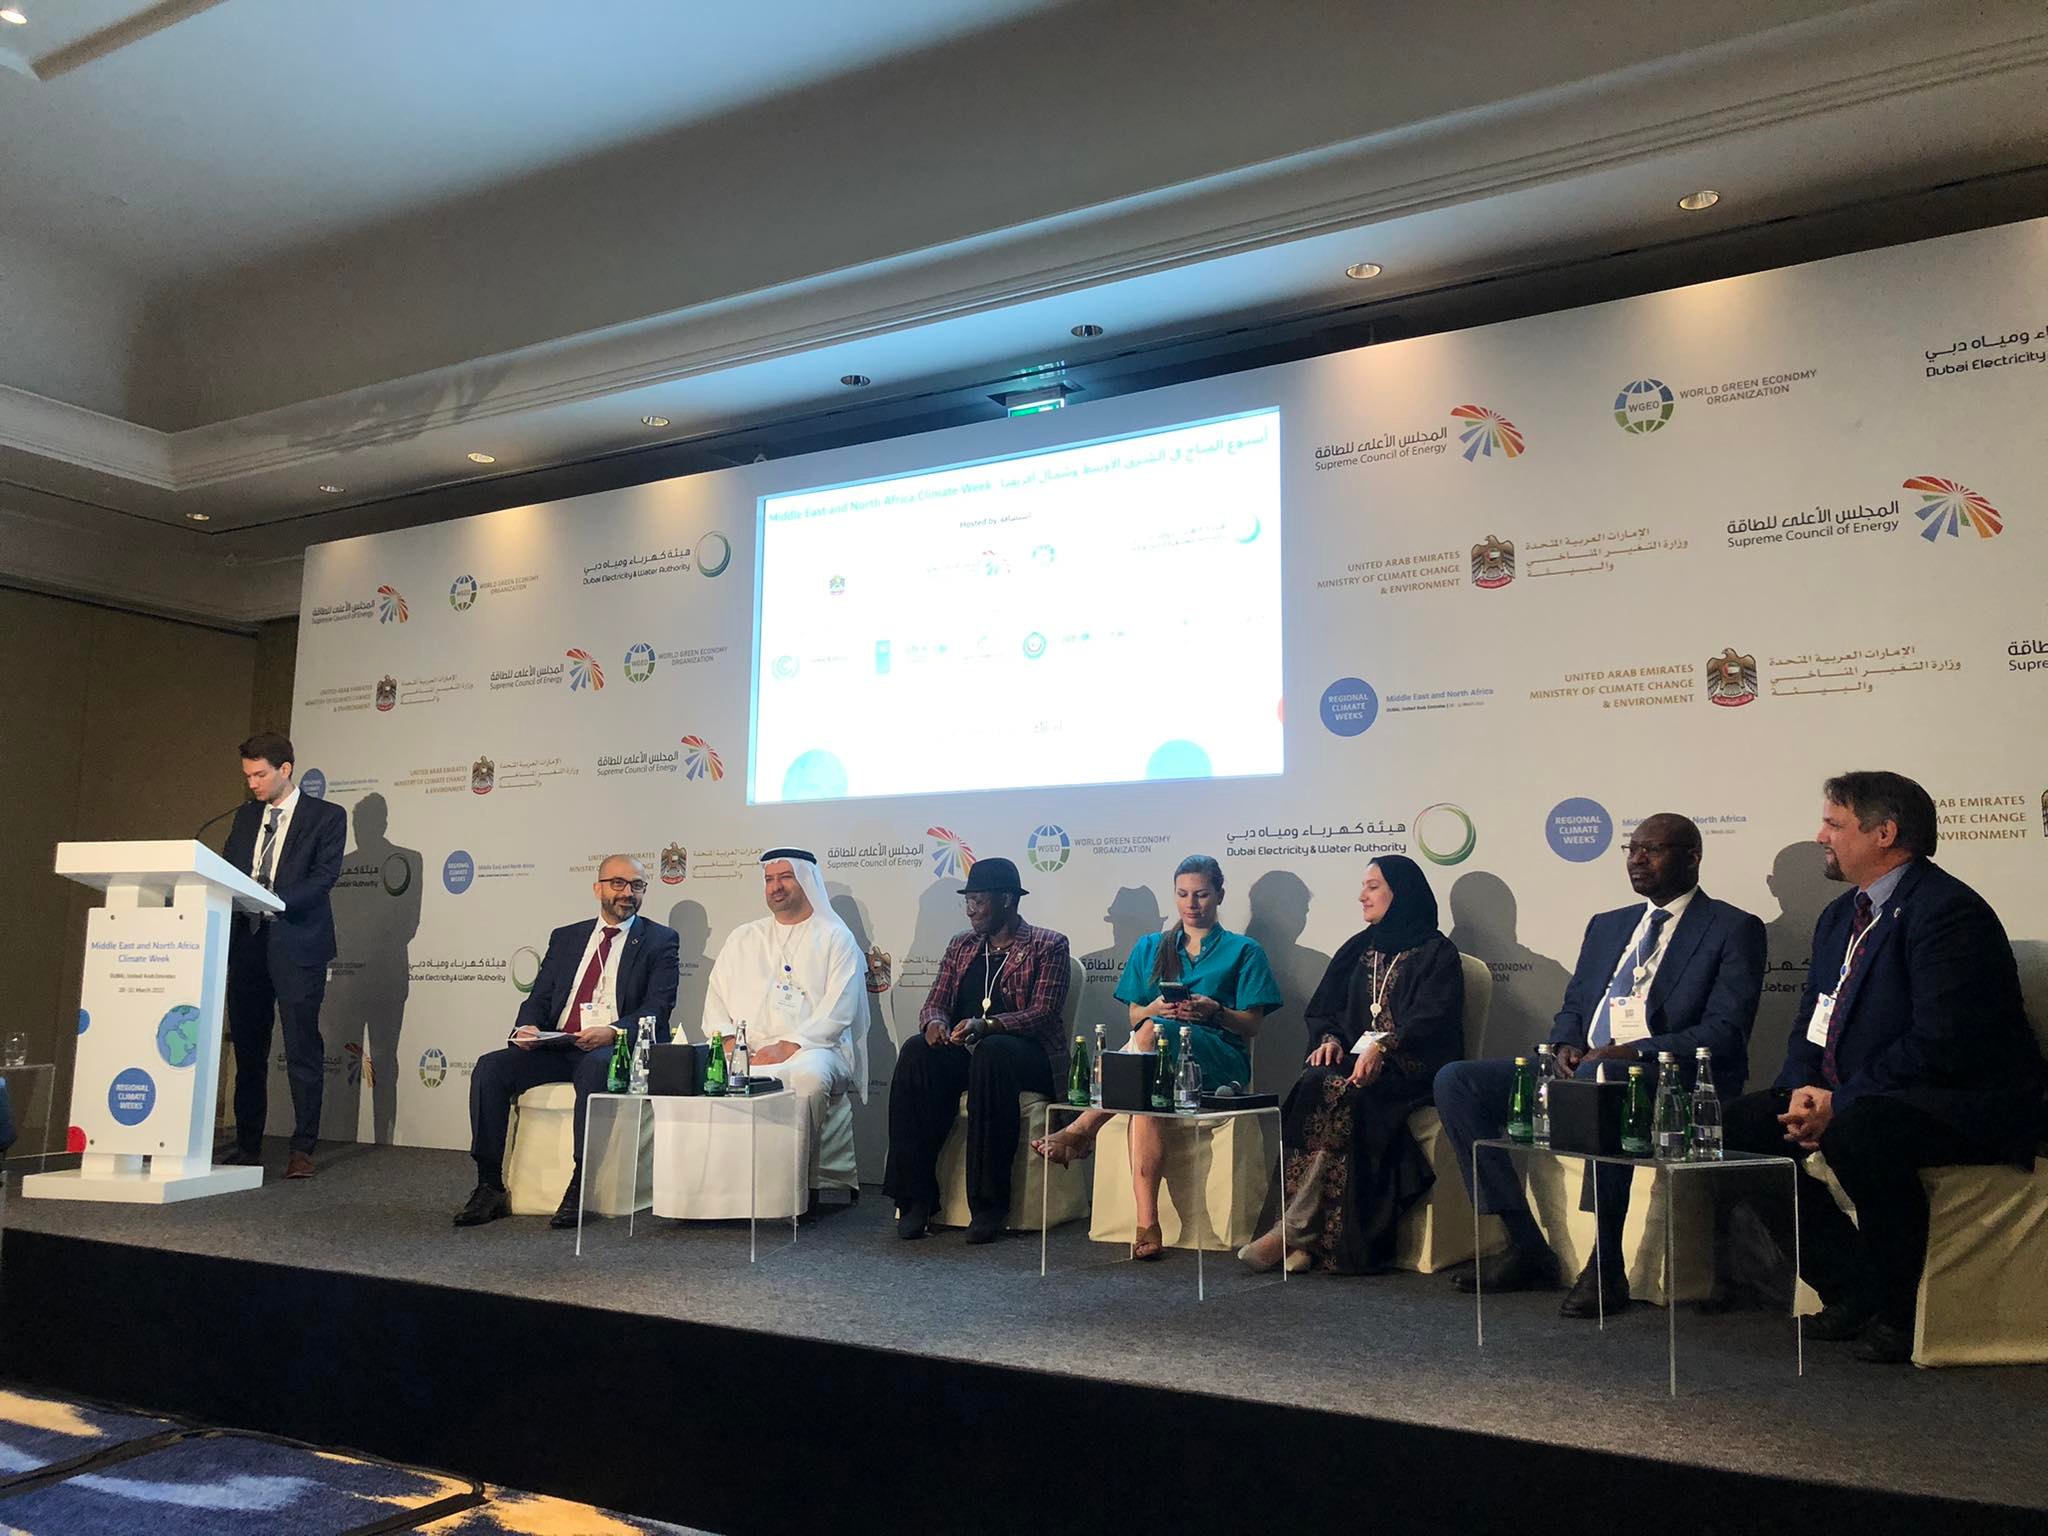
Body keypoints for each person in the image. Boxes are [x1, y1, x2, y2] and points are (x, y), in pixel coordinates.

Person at [1722, 772, 2044, 1364]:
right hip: (1867, 1095)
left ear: (1884, 833)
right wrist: (1800, 1089)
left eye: (1834, 824)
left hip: (1963, 1102)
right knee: (1739, 1126)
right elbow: (1812, 1020)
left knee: (1861, 1132)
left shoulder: (1947, 912)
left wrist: (1839, 1103)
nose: (1821, 836)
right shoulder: (1840, 915)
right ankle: (1850, 1287)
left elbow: (1942, 1042)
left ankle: (1898, 1312)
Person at [1434, 813, 1764, 1313]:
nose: (1638, 860)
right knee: (1458, 1081)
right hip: (1584, 1066)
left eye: (1653, 850)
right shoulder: (1608, 925)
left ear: (1693, 857)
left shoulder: (1731, 928)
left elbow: (1725, 1031)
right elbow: (1574, 1006)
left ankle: (1606, 1266)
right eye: (1632, 849)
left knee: (1602, 1076)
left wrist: (1634, 1050)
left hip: (1668, 1078)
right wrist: (1565, 1043)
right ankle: (1524, 1242)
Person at [1030, 855, 1279, 1260]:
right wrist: (1157, 1009)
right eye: (1183, 894)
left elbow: (1251, 1025)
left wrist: (1213, 1010)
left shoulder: (1244, 950)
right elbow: (1134, 1015)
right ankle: (1148, 1224)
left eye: (1201, 894)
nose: (1191, 904)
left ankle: (1084, 1126)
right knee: (1145, 1088)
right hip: (1159, 1057)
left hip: (1216, 1059)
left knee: (1150, 1040)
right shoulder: (1151, 946)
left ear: (1219, 895)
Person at [1238, 856, 1460, 1274]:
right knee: (1313, 1082)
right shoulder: (1359, 949)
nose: (1362, 896)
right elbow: (1326, 1010)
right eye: (1363, 886)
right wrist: (1330, 1040)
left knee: (1348, 1096)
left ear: (1401, 892)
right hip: (1356, 1064)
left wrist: (1386, 1047)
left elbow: (1433, 1019)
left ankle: (1292, 1233)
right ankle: (1309, 1239)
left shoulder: (1437, 953)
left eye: (1373, 886)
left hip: (1411, 1068)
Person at [454, 856, 679, 1228]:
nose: (628, 893)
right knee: (490, 1068)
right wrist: (528, 1027)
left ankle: (580, 1183)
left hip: (614, 1048)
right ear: (598, 888)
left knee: (593, 1068)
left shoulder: (660, 940)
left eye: (637, 885)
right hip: (559, 1044)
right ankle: (489, 1184)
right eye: (618, 883)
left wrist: (613, 1031)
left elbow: (657, 1007)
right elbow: (540, 997)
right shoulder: (567, 937)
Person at [882, 858, 1071, 1244]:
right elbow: (936, 1002)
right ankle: (915, 1197)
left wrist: (989, 1025)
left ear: (1006, 900)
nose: (970, 910)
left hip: (1025, 1054)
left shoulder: (1048, 944)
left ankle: (989, 1206)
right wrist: (934, 1024)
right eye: (967, 901)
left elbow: (1042, 1013)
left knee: (992, 1051)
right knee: (916, 1051)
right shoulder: (961, 945)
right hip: (968, 1048)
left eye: (978, 901)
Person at [697, 848, 869, 1189]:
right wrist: (728, 1041)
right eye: (769, 879)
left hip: (815, 1048)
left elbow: (840, 1010)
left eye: (786, 878)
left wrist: (789, 1046)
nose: (776, 887)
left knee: (808, 1076)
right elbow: (715, 997)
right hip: (743, 1048)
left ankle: (788, 1186)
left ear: (807, 881)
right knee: (695, 1069)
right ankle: (711, 1188)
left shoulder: (835, 937)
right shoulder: (744, 936)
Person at [221, 731, 347, 1179]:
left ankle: (302, 1148)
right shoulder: (244, 817)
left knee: (301, 1047)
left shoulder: (326, 817)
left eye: (259, 775)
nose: (252, 783)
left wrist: (272, 900)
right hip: (247, 944)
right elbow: (228, 870)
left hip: (296, 942)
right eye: (247, 776)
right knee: (249, 1050)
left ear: (285, 769)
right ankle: (248, 1145)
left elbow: (323, 879)